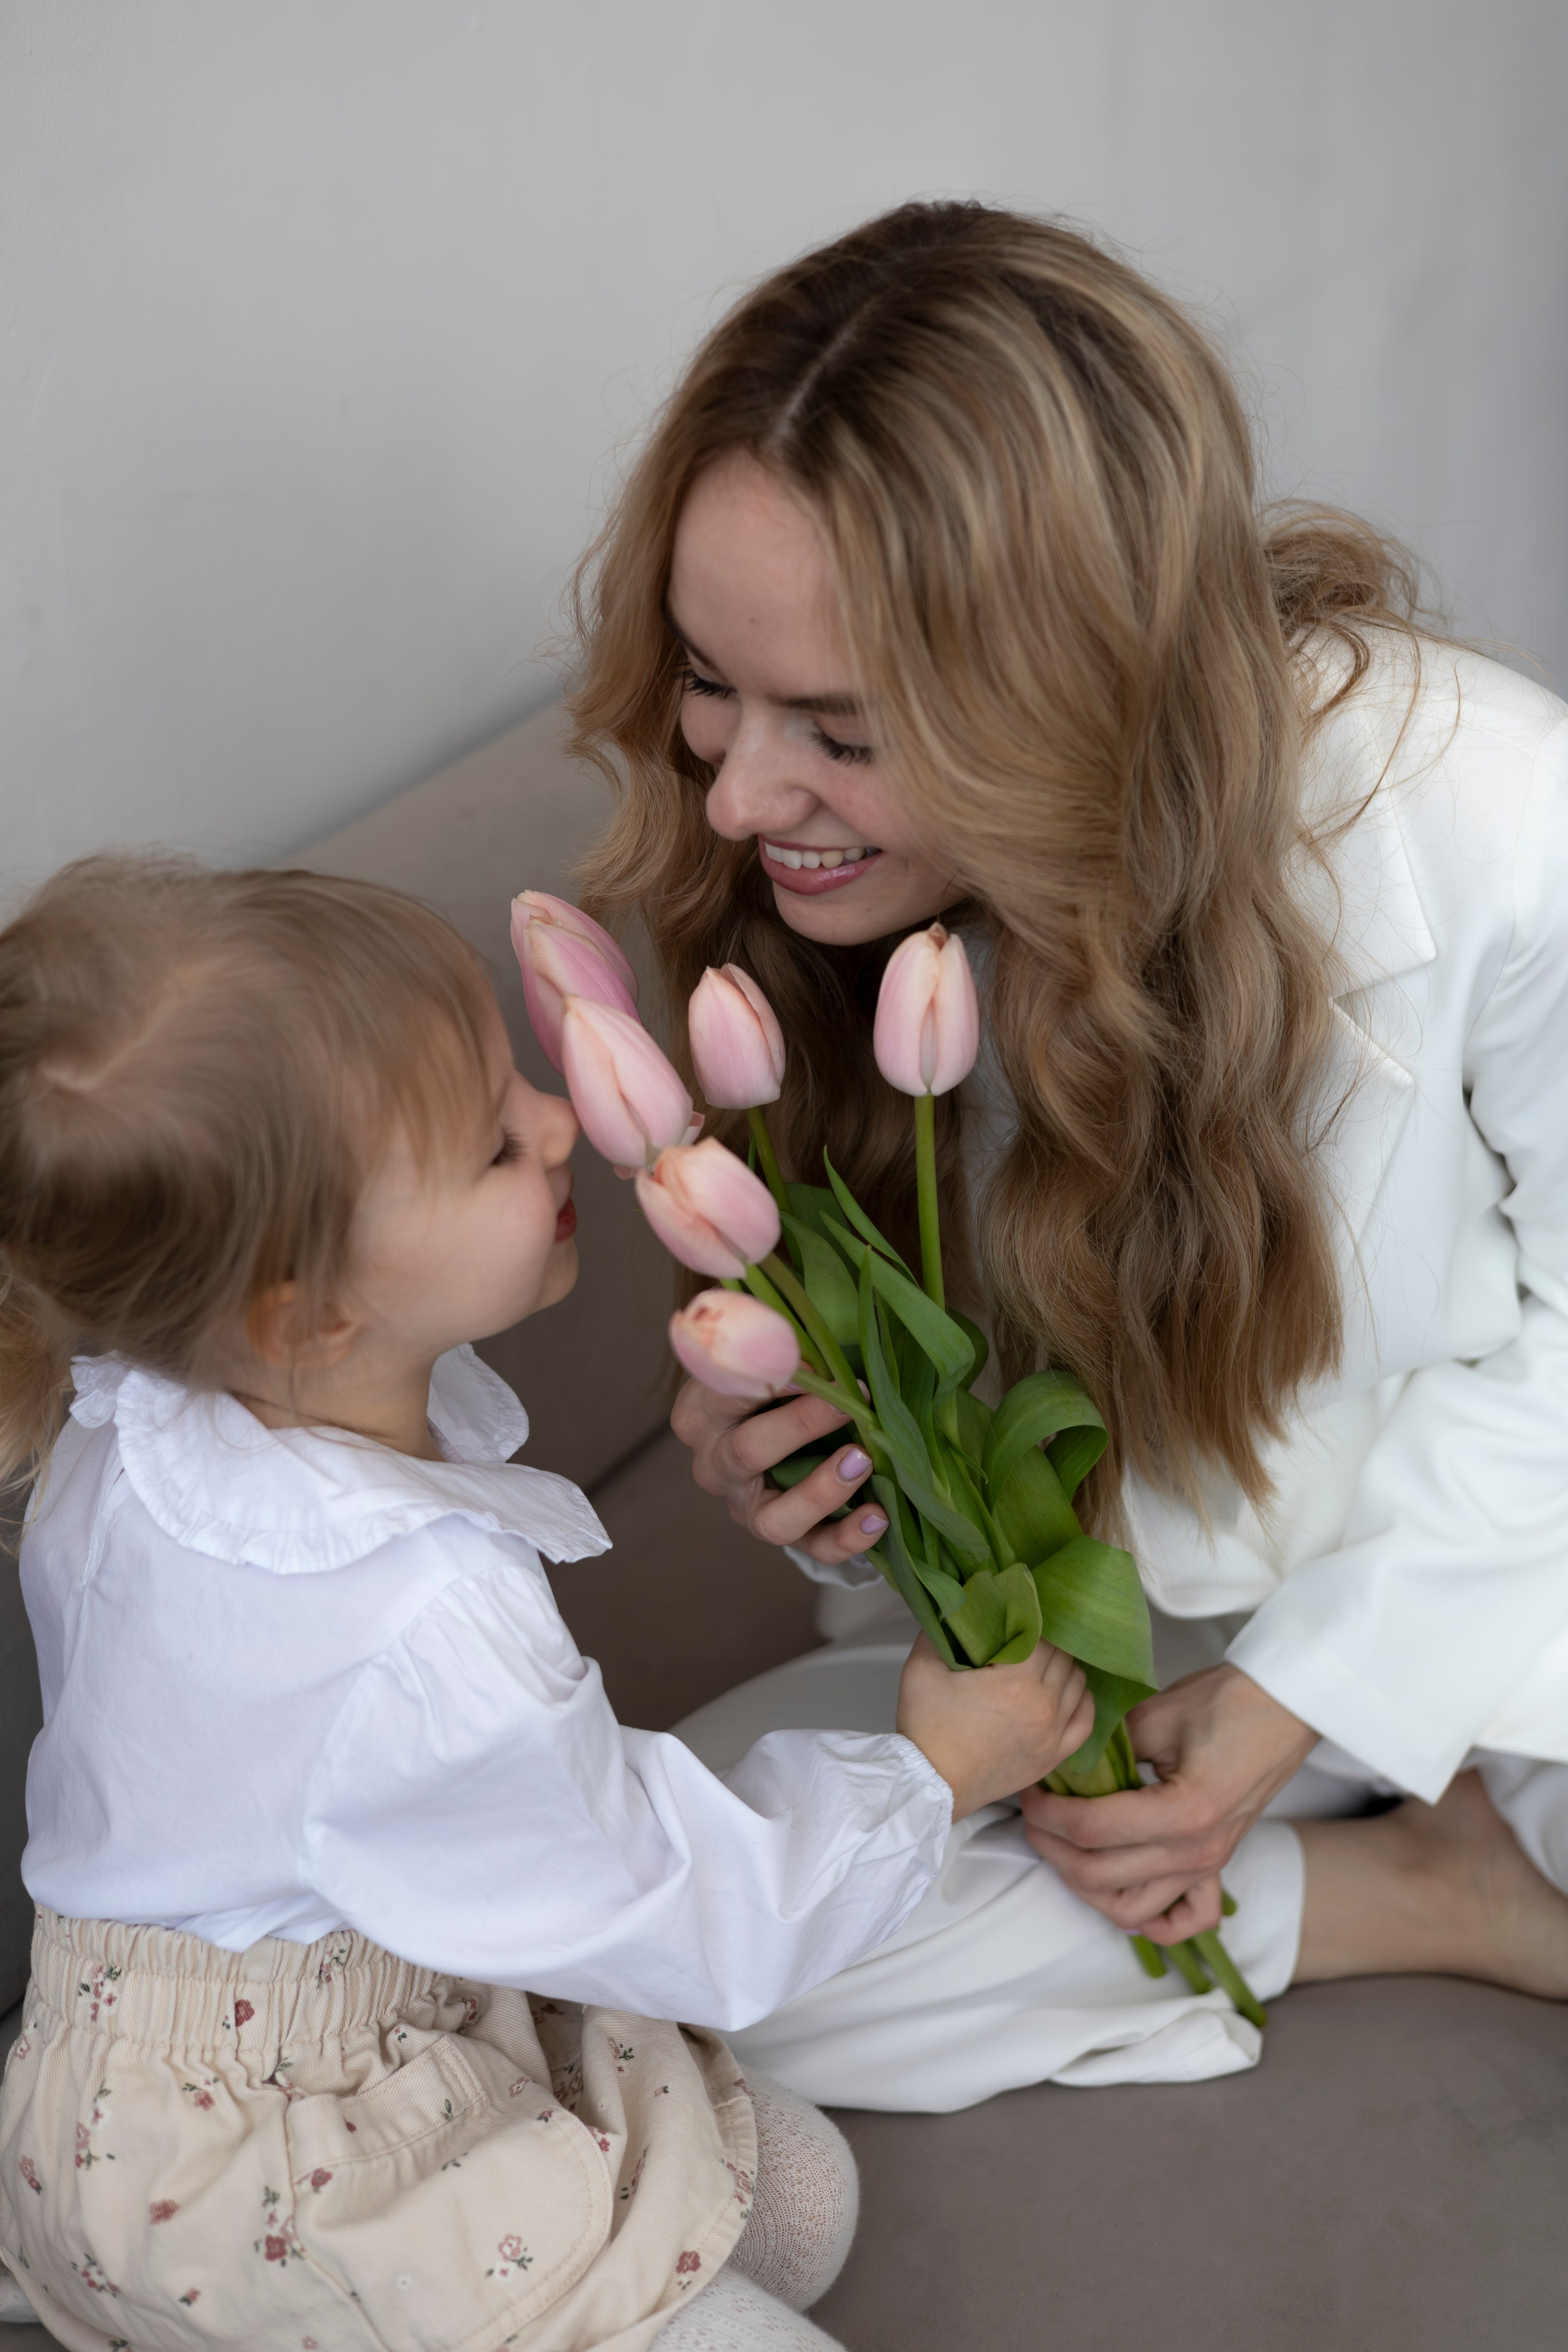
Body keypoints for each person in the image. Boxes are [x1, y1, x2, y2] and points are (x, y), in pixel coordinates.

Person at [567, 198, 1568, 2108]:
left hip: (1497, 1578)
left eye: (842, 731)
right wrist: (810, 1462)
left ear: (1069, 698)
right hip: (1104, 1657)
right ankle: (1402, 1898)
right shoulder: (795, 904)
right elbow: (952, 1458)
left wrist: (1307, 1700)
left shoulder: (1499, 814)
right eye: (712, 681)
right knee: (681, 1969)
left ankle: (1427, 1848)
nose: (739, 790)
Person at [0, 856, 1095, 2350]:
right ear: (306, 1312)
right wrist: (933, 1772)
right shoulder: (419, 1619)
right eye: (489, 1147)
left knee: (801, 2202)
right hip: (277, 2184)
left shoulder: (139, 1415)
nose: (562, 1117)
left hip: (116, 2096)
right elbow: (666, 1906)